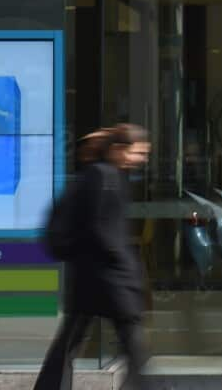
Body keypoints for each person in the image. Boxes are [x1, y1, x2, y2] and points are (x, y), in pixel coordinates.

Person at [35, 124, 152, 390]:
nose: (141, 159)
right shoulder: (104, 177)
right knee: (132, 346)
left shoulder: (101, 175)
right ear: (120, 150)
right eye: (139, 152)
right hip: (107, 278)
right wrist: (125, 264)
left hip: (93, 277)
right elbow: (101, 229)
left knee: (71, 344)